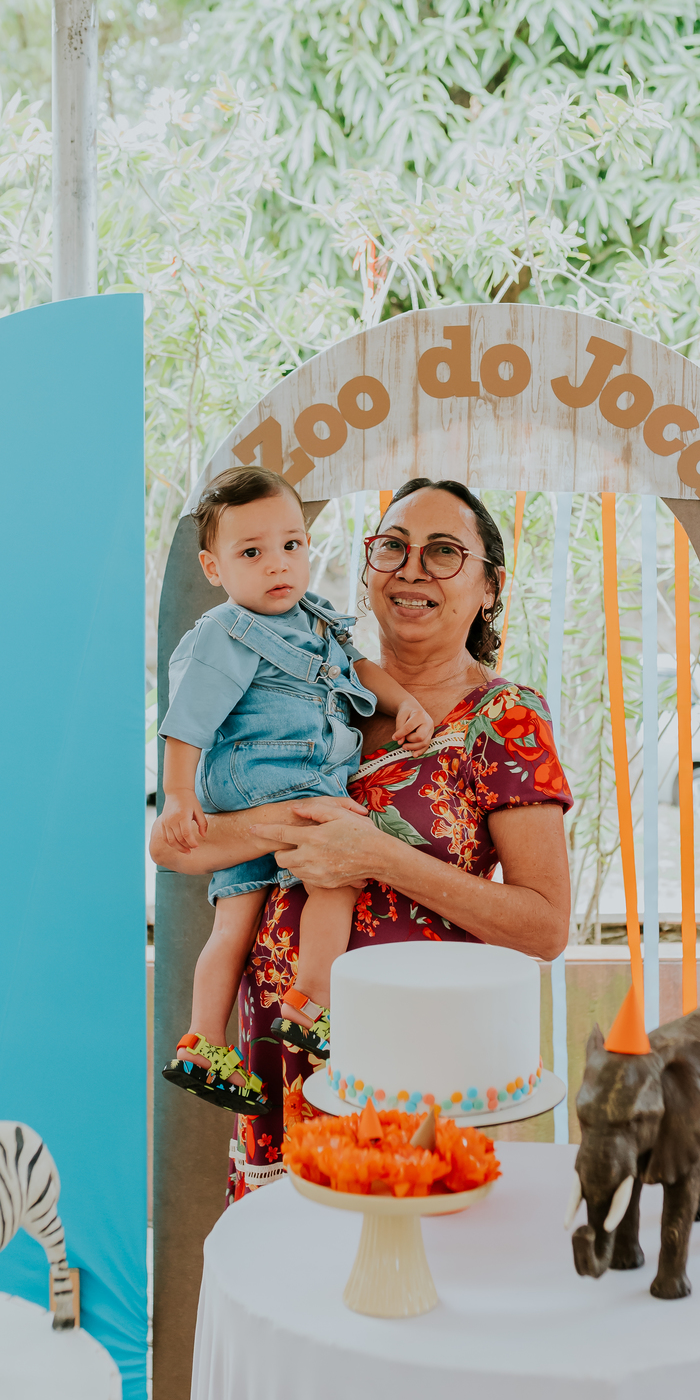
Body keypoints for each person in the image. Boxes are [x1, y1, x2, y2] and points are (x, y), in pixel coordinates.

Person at [151, 477, 574, 1202]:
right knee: (289, 1264)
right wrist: (293, 820)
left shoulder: (503, 718)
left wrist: (377, 855)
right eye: (393, 547)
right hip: (277, 1067)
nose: (411, 569)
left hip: (408, 1073)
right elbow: (174, 848)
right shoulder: (302, 699)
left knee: (396, 1258)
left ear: (489, 588)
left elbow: (545, 927)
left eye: (443, 552)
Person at [157, 466, 434, 1114]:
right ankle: (310, 1002)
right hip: (283, 781)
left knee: (233, 922)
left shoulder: (316, 622)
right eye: (252, 553)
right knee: (340, 873)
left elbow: (359, 670)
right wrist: (177, 796)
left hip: (258, 793)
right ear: (214, 568)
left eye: (291, 545)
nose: (278, 564)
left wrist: (403, 702)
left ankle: (202, 1042)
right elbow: (188, 721)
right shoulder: (226, 632)